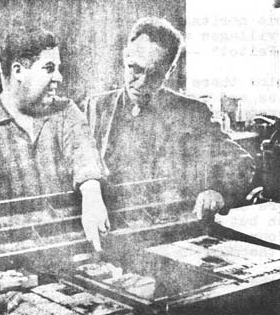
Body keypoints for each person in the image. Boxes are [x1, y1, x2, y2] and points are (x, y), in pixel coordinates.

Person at [87, 17, 254, 219]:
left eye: (155, 75)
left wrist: (218, 192)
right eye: (135, 69)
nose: (141, 84)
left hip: (171, 229)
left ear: (170, 70)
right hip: (112, 228)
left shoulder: (192, 114)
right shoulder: (96, 107)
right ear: (125, 57)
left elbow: (243, 163)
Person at [0, 27, 110, 251]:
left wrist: (91, 192)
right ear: (18, 71)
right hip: (9, 258)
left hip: (70, 247)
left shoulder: (66, 111)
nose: (58, 77)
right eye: (49, 69)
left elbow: (84, 154)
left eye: (58, 69)